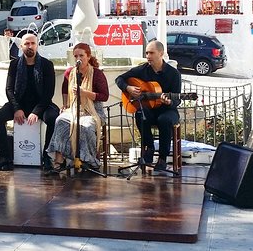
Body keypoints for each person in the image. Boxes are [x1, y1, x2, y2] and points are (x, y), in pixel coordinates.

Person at [0, 33, 59, 171]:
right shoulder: (15, 64)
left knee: (53, 118)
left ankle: (46, 156)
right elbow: (9, 89)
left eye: (33, 43)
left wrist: (36, 111)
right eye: (27, 44)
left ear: (37, 45)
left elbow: (48, 93)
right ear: (21, 46)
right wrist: (16, 108)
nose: (30, 46)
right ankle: (5, 158)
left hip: (41, 104)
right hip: (20, 104)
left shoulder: (46, 64)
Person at [115, 40, 181, 172]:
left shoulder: (174, 74)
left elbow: (177, 99)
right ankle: (149, 148)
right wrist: (128, 88)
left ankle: (162, 157)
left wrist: (169, 102)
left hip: (168, 110)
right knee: (140, 113)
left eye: (151, 53)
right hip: (150, 110)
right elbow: (119, 79)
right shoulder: (143, 70)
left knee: (164, 120)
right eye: (146, 53)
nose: (148, 56)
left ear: (161, 53)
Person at [47, 42, 109, 173]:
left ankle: (89, 160)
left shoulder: (97, 74)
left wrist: (85, 93)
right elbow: (65, 89)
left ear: (88, 56)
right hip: (74, 109)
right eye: (75, 56)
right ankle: (59, 161)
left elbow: (104, 96)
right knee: (60, 121)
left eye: (81, 55)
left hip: (92, 111)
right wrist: (65, 105)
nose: (78, 58)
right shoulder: (70, 72)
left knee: (86, 128)